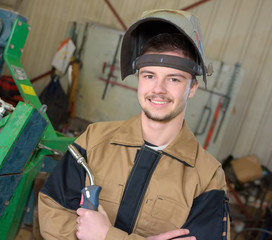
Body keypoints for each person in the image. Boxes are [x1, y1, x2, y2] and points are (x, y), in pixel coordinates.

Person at [38, 9, 230, 240]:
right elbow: (53, 210)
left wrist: (105, 236)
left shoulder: (207, 177)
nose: (158, 89)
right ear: (139, 80)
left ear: (193, 88)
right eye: (149, 75)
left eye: (173, 79)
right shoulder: (94, 140)